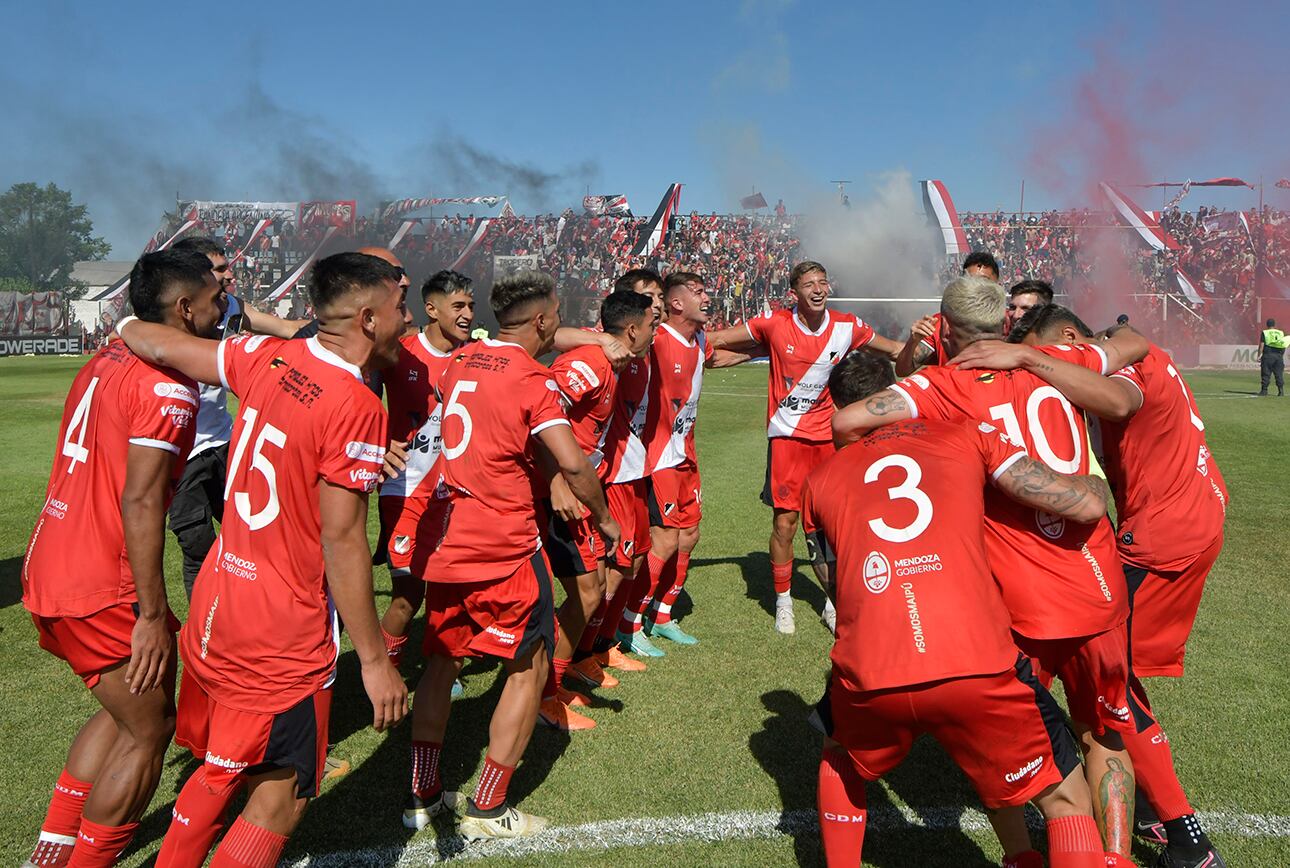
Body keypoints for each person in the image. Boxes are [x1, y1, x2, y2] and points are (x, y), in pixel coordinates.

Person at [833, 276, 1150, 861]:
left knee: (1005, 740)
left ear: (945, 328)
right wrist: (1032, 353)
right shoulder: (1056, 355)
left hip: (1019, 595)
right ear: (1006, 324)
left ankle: (1022, 855)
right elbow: (1133, 342)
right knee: (1102, 732)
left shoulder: (937, 385)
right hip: (1098, 579)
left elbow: (849, 422)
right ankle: (1115, 856)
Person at [116, 252, 411, 867]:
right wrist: (377, 662)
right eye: (398, 307)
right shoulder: (356, 404)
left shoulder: (263, 354)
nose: (405, 320)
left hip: (219, 602)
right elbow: (343, 542)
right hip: (281, 632)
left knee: (222, 768)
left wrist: (123, 328)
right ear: (367, 318)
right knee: (282, 796)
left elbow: (164, 345)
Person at [998, 304, 1230, 868]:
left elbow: (1117, 398)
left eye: (1052, 353)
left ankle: (1188, 840)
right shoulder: (1135, 350)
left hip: (1165, 534)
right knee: (1110, 679)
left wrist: (1030, 360)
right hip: (1191, 517)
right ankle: (1152, 811)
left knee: (1109, 686)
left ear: (1074, 340)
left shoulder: (1123, 368)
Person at [21, 249, 222, 868]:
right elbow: (140, 501)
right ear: (185, 309)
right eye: (215, 298)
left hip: (48, 562)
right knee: (150, 726)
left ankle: (55, 851)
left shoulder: (109, 354)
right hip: (99, 583)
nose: (224, 307)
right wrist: (152, 615)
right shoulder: (168, 389)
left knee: (125, 709)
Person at [406, 271, 619, 839]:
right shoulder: (532, 379)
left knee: (442, 661)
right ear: (545, 320)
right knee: (528, 668)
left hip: (446, 541)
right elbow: (573, 464)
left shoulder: (460, 360)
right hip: (503, 547)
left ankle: (423, 795)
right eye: (555, 317)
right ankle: (488, 806)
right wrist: (602, 517)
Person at [707, 260, 902, 635]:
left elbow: (893, 350)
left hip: (830, 439)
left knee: (834, 525)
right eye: (809, 284)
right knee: (785, 523)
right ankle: (783, 603)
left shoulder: (848, 326)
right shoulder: (773, 323)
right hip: (787, 441)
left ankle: (832, 601)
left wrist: (929, 344)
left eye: (822, 282)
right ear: (794, 293)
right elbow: (717, 340)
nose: (817, 289)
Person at [539, 290, 657, 730]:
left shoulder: (608, 360)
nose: (654, 332)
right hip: (559, 495)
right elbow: (539, 419)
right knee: (580, 593)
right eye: (650, 325)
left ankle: (550, 685)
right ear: (630, 330)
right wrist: (555, 481)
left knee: (586, 592)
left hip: (580, 491)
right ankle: (541, 693)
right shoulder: (588, 363)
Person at [165, 236, 306, 601]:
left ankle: (250, 612)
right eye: (220, 268)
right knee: (199, 548)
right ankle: (205, 633)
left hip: (225, 443)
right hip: (180, 455)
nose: (230, 275)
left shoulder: (231, 308)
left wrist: (341, 326)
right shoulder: (160, 318)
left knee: (257, 535)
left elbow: (288, 328)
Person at [617, 271, 744, 653]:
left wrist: (776, 350)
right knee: (664, 540)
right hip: (659, 458)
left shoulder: (699, 339)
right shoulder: (654, 340)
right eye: (698, 292)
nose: (708, 297)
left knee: (689, 535)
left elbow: (715, 356)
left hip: (686, 453)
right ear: (675, 303)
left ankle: (662, 616)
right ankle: (630, 623)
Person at [376, 270, 476, 672]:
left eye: (471, 304)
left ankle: (439, 666)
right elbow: (356, 388)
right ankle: (383, 671)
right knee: (407, 595)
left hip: (455, 492)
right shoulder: (400, 352)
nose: (468, 313)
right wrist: (375, 441)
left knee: (449, 587)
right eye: (459, 306)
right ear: (431, 309)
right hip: (404, 487)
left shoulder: (475, 356)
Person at [894, 250, 1000, 375]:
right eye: (970, 280)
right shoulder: (940, 323)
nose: (976, 286)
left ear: (997, 284)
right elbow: (902, 370)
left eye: (984, 281)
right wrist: (912, 342)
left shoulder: (1009, 322)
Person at [1257, 317, 1287, 396]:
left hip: (1268, 355)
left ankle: (1264, 391)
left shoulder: (1265, 332)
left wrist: (1259, 355)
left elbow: (1262, 345)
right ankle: (1281, 391)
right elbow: (1283, 345)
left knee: (1266, 373)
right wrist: (1281, 355)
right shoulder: (1280, 333)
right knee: (1279, 374)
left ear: (1267, 325)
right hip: (1278, 356)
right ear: (1274, 324)